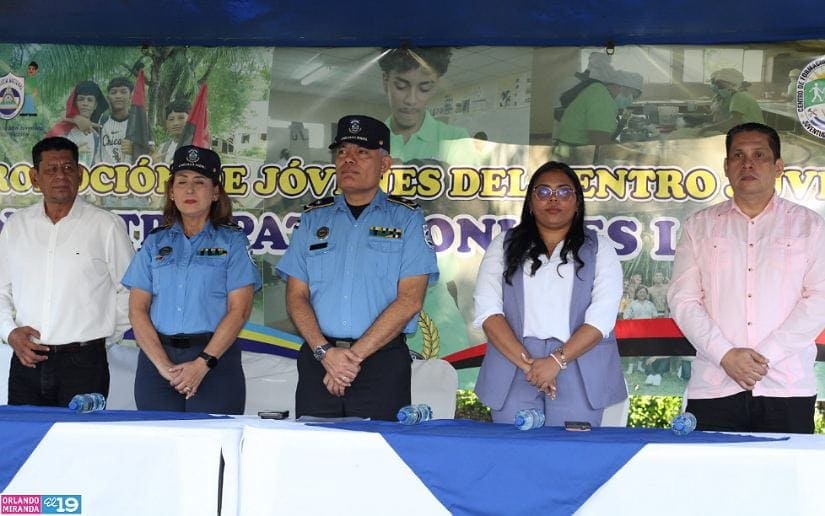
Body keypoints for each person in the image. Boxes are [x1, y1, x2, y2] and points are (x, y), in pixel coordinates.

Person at [276, 114, 439, 421]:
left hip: (382, 364)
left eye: (362, 152)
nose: (349, 160)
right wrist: (327, 355)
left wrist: (349, 360)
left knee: (377, 459)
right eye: (342, 152)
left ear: (385, 164)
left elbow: (410, 300)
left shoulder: (406, 219)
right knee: (315, 458)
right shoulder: (313, 219)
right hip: (319, 361)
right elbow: (296, 296)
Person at [668, 122, 825, 433]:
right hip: (715, 384)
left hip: (787, 386)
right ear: (726, 167)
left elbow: (819, 298)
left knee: (783, 481)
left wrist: (764, 357)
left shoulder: (810, 226)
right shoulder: (699, 227)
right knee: (713, 481)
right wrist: (725, 354)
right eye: (738, 155)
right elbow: (683, 300)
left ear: (778, 166)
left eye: (759, 155)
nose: (748, 163)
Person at [473, 161, 626, 427]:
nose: (553, 199)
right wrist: (531, 367)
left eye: (564, 192)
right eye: (543, 192)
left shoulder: (600, 248)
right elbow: (488, 310)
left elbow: (602, 317)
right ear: (530, 202)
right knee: (516, 458)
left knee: (572, 458)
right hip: (516, 365)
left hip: (578, 364)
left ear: (577, 202)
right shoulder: (504, 245)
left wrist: (556, 361)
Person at [121, 145, 261, 413]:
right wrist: (163, 366)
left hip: (214, 362)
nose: (190, 190)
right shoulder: (155, 242)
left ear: (215, 192)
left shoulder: (233, 241)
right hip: (158, 363)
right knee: (159, 448)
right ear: (171, 192)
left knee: (212, 449)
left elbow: (239, 310)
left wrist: (203, 363)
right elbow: (137, 310)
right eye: (181, 182)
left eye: (199, 182)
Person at [0, 136, 134, 406]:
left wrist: (100, 339)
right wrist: (9, 332)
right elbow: (1, 291)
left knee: (80, 446)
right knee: (26, 444)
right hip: (26, 362)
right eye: (51, 169)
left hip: (84, 366)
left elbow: (130, 291)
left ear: (81, 174)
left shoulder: (105, 226)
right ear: (35, 178)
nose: (60, 175)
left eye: (68, 168)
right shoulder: (17, 227)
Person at [378, 47, 475, 166]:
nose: (411, 100)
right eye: (401, 86)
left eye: (424, 88)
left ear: (435, 86)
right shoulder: (366, 140)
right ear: (385, 81)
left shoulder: (456, 139)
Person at [554, 69, 643, 147]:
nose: (630, 99)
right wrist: (632, 152)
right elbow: (600, 142)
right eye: (632, 94)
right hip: (574, 153)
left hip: (570, 149)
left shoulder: (598, 91)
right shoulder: (602, 99)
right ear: (622, 86)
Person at [46, 80, 108, 166]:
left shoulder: (96, 137)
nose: (85, 103)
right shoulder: (61, 131)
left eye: (89, 100)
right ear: (75, 103)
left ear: (95, 105)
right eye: (81, 99)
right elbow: (46, 158)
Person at [701, 69, 764, 134]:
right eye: (718, 87)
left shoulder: (739, 97)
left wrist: (707, 129)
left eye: (721, 87)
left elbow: (734, 121)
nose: (720, 89)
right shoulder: (743, 94)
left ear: (733, 84)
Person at [99, 77, 133, 163]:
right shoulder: (101, 120)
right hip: (105, 175)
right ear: (108, 98)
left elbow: (152, 152)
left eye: (123, 92)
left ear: (131, 96)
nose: (118, 96)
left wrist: (135, 150)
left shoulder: (140, 122)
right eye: (113, 92)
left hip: (133, 174)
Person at [153, 99, 190, 164]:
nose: (176, 123)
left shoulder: (198, 146)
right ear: (166, 123)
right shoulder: (162, 148)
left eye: (181, 118)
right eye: (171, 119)